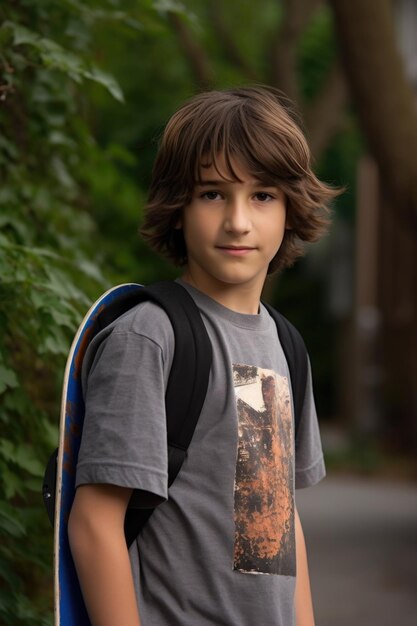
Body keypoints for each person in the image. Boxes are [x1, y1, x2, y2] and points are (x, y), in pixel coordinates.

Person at [68, 86, 340, 626]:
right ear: (178, 208)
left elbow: (279, 528)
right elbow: (95, 522)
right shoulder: (151, 337)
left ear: (290, 208)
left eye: (262, 195)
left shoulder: (286, 346)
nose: (238, 221)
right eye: (213, 194)